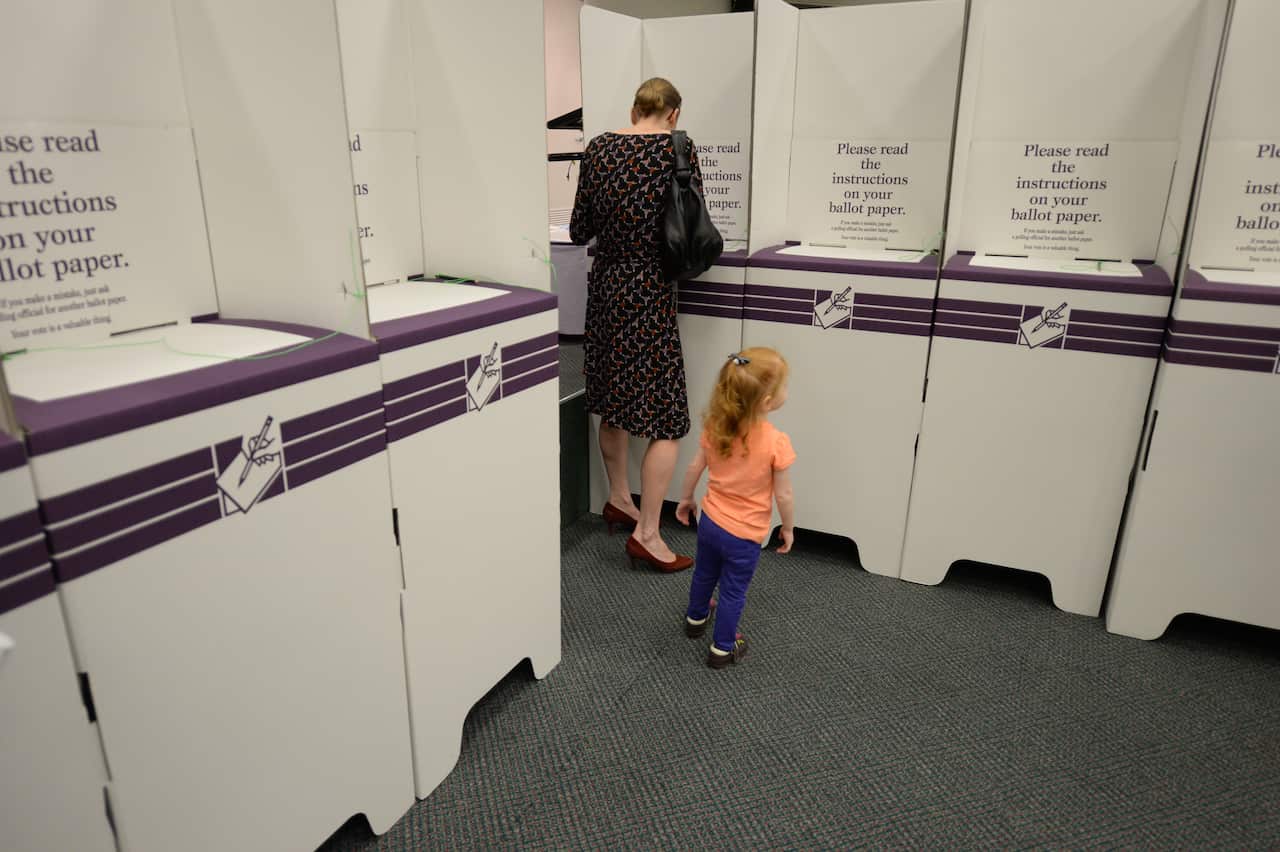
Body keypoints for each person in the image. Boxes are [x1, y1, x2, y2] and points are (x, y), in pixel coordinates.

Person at [570, 77, 704, 572]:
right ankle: (648, 533)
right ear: (672, 113)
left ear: (635, 108)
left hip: (606, 289)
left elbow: (579, 229)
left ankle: (619, 500)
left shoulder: (600, 148)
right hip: (650, 290)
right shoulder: (679, 148)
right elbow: (690, 221)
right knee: (666, 418)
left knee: (613, 401)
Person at [675, 348, 796, 669]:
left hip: (711, 522)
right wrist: (787, 527)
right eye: (784, 386)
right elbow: (784, 495)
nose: (787, 391)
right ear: (767, 402)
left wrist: (685, 499)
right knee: (733, 591)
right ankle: (723, 649)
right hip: (744, 536)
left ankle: (696, 619)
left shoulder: (716, 426)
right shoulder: (776, 442)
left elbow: (694, 467)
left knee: (704, 573)